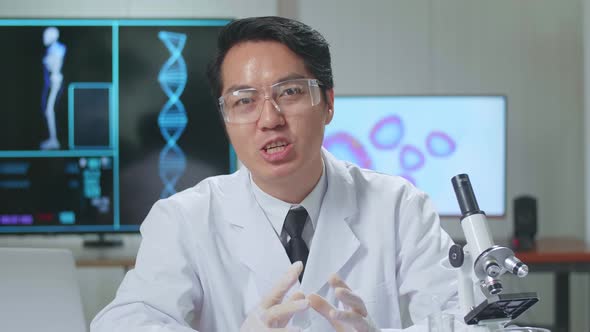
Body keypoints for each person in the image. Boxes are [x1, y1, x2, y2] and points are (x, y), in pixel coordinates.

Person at [91, 16, 460, 331]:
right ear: (226, 118)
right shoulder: (183, 220)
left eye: (290, 92)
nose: (270, 120)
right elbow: (124, 323)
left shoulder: (399, 206)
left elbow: (465, 314)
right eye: (244, 101)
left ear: (327, 103)